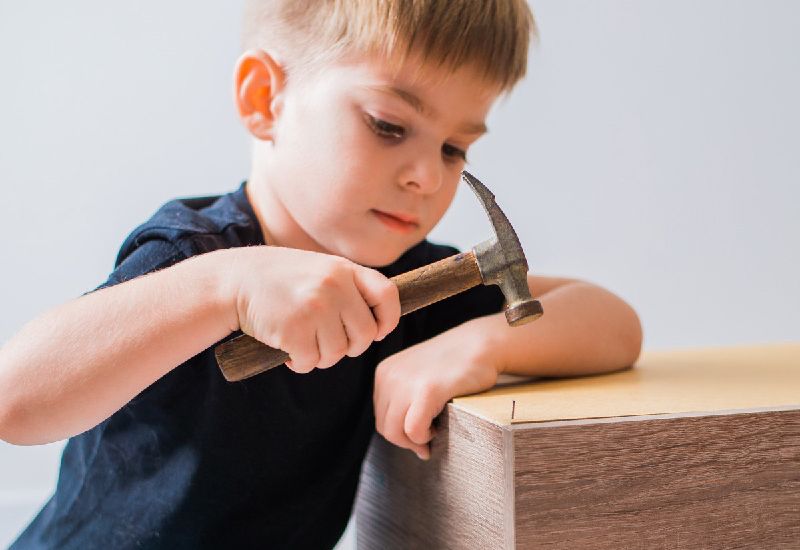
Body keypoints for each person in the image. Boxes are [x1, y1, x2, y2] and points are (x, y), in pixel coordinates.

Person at [0, 1, 643, 548]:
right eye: (389, 126)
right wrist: (225, 288)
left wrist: (480, 343)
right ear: (265, 99)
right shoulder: (197, 259)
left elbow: (611, 320)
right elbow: (14, 401)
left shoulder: (411, 286)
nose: (427, 175)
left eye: (454, 148)